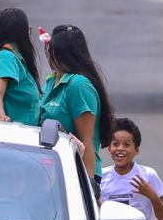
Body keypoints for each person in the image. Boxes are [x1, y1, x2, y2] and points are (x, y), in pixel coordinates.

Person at [39, 24, 114, 182]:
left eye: (53, 49)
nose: (49, 53)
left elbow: (86, 140)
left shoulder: (78, 85)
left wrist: (89, 186)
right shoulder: (51, 81)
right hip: (53, 170)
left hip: (77, 174)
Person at [0, 8, 42, 125]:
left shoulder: (16, 57)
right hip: (13, 135)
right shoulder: (7, 57)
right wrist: (0, 116)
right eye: (28, 29)